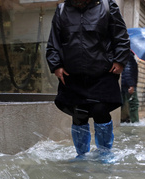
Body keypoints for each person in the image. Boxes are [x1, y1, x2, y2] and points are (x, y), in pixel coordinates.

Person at [46, 0, 130, 159]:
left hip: (102, 72)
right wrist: (56, 65)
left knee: (100, 111)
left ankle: (104, 153)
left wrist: (120, 60)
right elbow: (54, 41)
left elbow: (121, 36)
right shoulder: (62, 10)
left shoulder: (107, 6)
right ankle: (81, 155)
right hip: (73, 74)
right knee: (79, 114)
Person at [121, 55, 139, 123]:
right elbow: (127, 70)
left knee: (123, 103)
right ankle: (135, 122)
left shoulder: (128, 55)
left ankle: (124, 121)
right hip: (128, 85)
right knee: (134, 104)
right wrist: (131, 85)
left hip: (124, 84)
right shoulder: (129, 56)